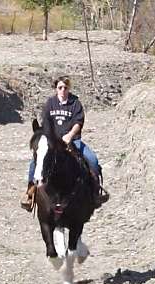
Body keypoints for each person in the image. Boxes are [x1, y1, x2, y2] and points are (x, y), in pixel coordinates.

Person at [20, 76, 109, 211]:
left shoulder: (75, 103)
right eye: (60, 87)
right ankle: (30, 193)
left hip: (72, 140)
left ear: (69, 89)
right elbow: (46, 124)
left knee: (92, 160)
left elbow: (78, 123)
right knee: (36, 162)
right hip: (53, 142)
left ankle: (95, 192)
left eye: (65, 88)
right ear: (56, 89)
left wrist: (70, 135)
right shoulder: (50, 103)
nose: (62, 90)